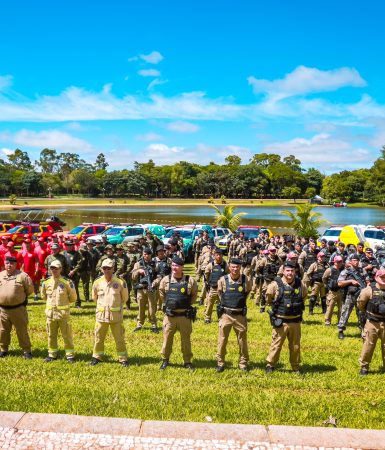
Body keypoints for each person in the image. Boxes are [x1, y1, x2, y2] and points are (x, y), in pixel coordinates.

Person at [265, 261, 307, 373]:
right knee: (276, 344)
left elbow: (304, 297)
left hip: (295, 321)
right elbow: (269, 298)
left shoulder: (301, 284)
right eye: (287, 270)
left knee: (295, 346)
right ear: (283, 271)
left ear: (295, 272)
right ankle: (270, 364)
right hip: (280, 321)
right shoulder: (275, 285)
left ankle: (295, 366)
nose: (290, 273)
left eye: (292, 271)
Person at [158, 256, 198, 370]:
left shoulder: (190, 280)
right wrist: (167, 303)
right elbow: (161, 293)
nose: (175, 268)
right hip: (170, 316)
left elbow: (194, 295)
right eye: (173, 265)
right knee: (167, 339)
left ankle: (187, 361)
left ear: (182, 267)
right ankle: (165, 360)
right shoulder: (166, 280)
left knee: (186, 340)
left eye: (177, 266)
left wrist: (184, 304)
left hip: (184, 316)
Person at [90, 258, 129, 367]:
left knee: (119, 338)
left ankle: (122, 358)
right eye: (104, 268)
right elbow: (94, 298)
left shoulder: (121, 282)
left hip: (115, 316)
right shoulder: (97, 282)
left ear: (113, 269)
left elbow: (124, 298)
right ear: (101, 269)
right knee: (98, 338)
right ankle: (97, 357)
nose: (106, 270)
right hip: (101, 316)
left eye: (109, 268)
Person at [216, 257, 251, 372]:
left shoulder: (246, 280)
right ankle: (220, 363)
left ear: (240, 268)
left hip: (240, 315)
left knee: (242, 341)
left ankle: (243, 363)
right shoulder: (222, 280)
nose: (235, 269)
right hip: (226, 314)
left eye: (237, 267)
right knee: (222, 340)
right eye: (233, 267)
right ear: (229, 267)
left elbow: (247, 292)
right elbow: (220, 294)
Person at [41, 260, 77, 362]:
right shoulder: (45, 282)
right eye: (52, 268)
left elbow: (73, 298)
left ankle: (70, 355)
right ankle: (52, 354)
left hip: (63, 314)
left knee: (67, 335)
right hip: (50, 314)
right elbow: (44, 297)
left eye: (56, 268)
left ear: (61, 269)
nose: (54, 270)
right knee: (51, 335)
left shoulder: (67, 282)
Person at [0, 255, 34, 359]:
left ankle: (26, 350)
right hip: (2, 310)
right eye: (7, 263)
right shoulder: (0, 275)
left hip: (18, 309)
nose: (9, 265)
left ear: (16, 264)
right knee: (2, 331)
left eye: (11, 263)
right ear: (4, 264)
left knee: (21, 330)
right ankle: (3, 349)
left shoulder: (23, 276)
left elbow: (30, 290)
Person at [357, 268, 385, 375]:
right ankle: (364, 367)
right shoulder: (369, 290)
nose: (384, 279)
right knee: (368, 345)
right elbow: (361, 304)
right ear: (376, 277)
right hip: (372, 323)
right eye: (382, 277)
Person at [337, 254, 368, 339]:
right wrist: (350, 281)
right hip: (349, 296)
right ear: (350, 261)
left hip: (361, 296)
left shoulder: (362, 271)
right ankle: (341, 331)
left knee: (362, 314)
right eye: (354, 260)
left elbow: (368, 281)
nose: (356, 262)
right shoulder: (346, 271)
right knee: (345, 313)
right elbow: (339, 283)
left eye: (357, 260)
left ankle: (363, 331)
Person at [132, 247, 159, 333]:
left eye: (148, 254)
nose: (146, 256)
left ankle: (154, 324)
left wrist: (154, 283)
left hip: (151, 289)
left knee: (152, 308)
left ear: (151, 255)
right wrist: (138, 271)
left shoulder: (155, 264)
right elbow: (133, 276)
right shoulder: (138, 264)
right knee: (141, 307)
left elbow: (159, 276)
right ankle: (139, 324)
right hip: (141, 289)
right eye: (144, 254)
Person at [204, 248, 228, 324]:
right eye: (217, 255)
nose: (219, 256)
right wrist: (208, 284)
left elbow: (228, 275)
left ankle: (222, 317)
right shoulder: (211, 265)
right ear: (214, 256)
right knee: (210, 304)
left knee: (223, 304)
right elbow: (206, 275)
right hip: (213, 288)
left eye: (220, 255)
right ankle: (207, 317)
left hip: (222, 289)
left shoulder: (225, 265)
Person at [323, 255, 344, 325]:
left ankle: (340, 321)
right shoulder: (329, 270)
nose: (339, 263)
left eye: (341, 262)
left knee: (341, 308)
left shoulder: (342, 270)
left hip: (341, 291)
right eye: (338, 262)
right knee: (330, 307)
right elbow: (324, 278)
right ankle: (327, 321)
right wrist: (327, 286)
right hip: (332, 292)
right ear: (334, 262)